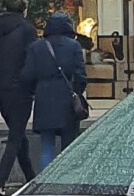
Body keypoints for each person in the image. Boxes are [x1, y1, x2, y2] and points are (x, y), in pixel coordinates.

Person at [0, 0, 38, 195]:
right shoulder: (28, 30)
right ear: (25, 10)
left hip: (1, 89)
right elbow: (32, 60)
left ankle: (31, 179)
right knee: (15, 136)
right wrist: (27, 81)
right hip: (21, 90)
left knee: (18, 134)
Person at [25, 12, 91, 169]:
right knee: (68, 147)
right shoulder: (73, 46)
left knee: (47, 147)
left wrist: (36, 90)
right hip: (67, 99)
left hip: (44, 98)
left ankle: (45, 183)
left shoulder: (36, 46)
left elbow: (27, 74)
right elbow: (80, 75)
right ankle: (65, 181)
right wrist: (77, 92)